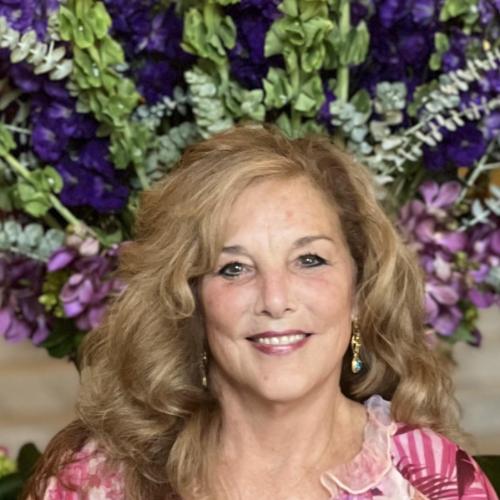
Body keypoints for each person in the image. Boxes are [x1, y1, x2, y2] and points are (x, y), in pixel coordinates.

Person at [24, 124, 497, 500]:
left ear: (358, 291)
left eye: (309, 260)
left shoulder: (428, 482)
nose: (275, 299)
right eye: (234, 268)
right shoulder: (97, 481)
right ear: (191, 300)